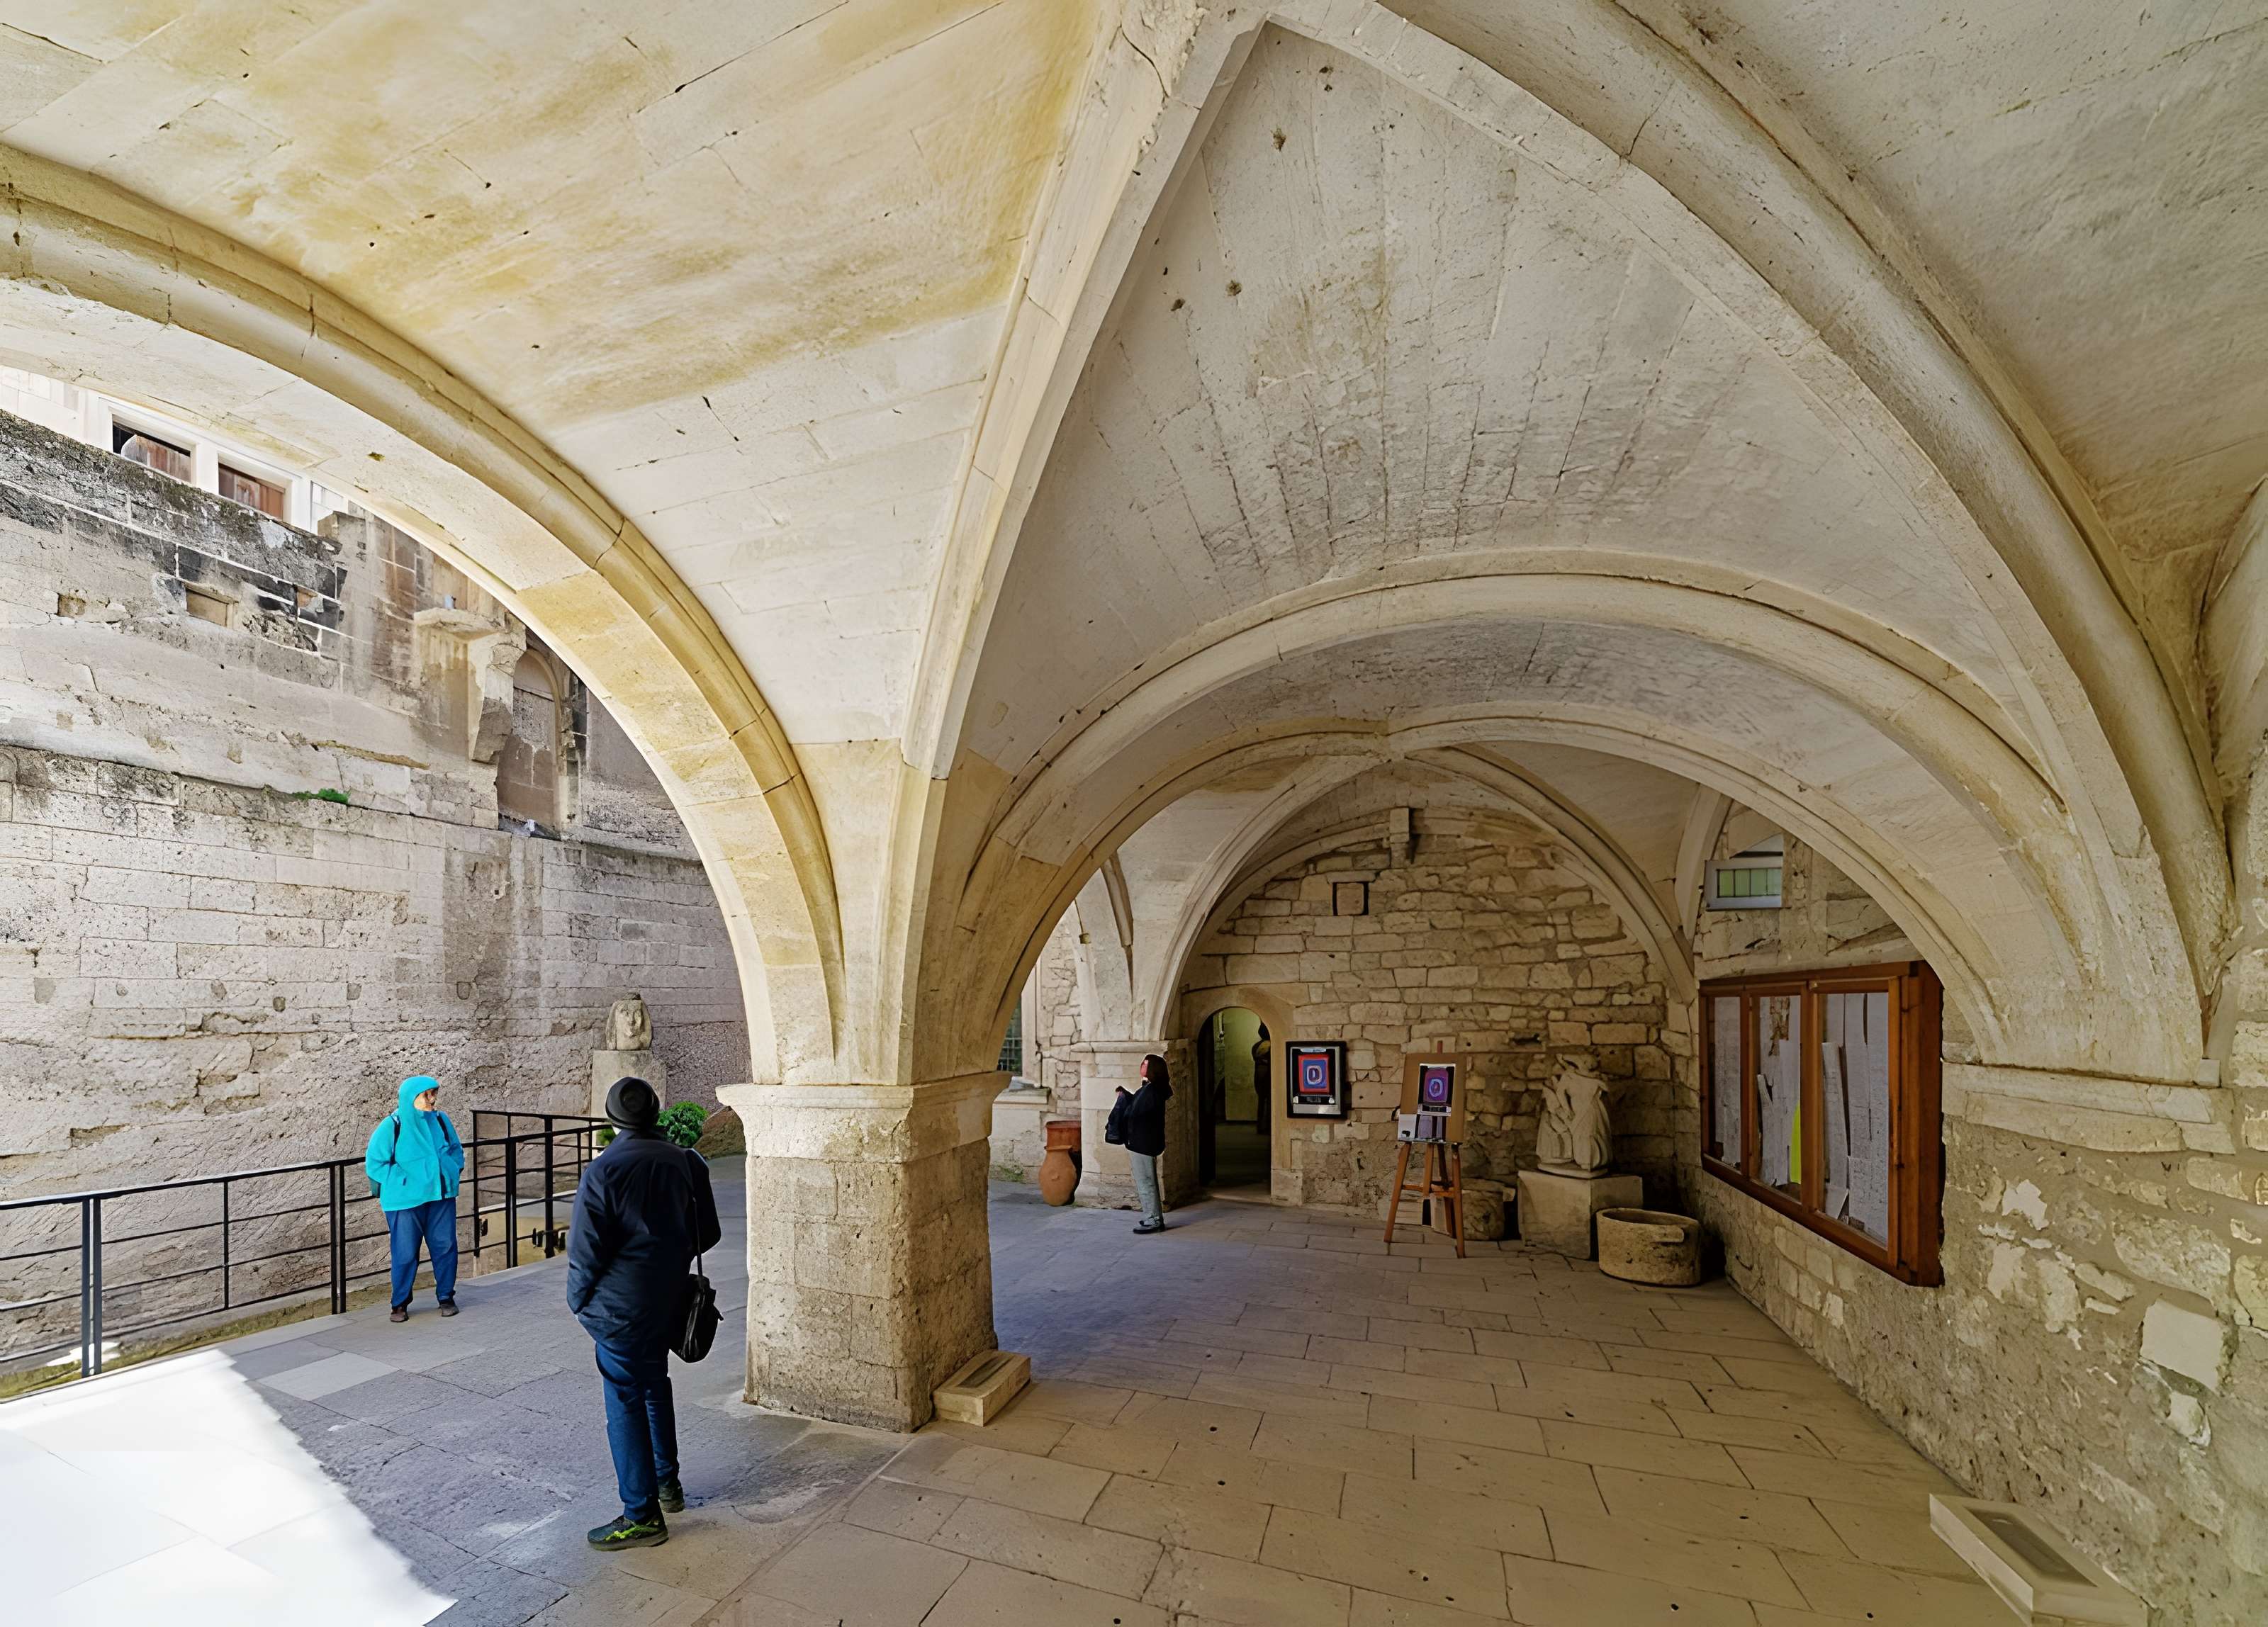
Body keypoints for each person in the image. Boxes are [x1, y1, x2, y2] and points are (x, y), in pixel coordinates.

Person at [568, 1076, 721, 1552]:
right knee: (655, 1385)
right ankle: (668, 1485)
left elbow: (585, 1252)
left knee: (626, 1400)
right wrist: (667, 1258)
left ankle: (640, 1514)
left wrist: (579, 1301)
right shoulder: (687, 1161)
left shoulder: (604, 1170)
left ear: (613, 1120)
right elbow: (709, 1233)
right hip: (668, 1297)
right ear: (656, 1112)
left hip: (619, 1307)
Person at [365, 1074, 464, 1322]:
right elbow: (375, 1163)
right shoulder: (392, 1125)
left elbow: (456, 1149)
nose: (432, 1099)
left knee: (446, 1247)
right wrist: (402, 1180)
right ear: (411, 1098)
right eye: (426, 1095)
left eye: (434, 1093)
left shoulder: (441, 1120)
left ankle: (446, 1297)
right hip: (404, 1202)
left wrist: (451, 1168)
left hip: (440, 1196)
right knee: (405, 1252)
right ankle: (399, 1303)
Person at [1115, 1053, 1173, 1234]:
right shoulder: (1150, 1089)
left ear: (1152, 1069)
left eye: (1145, 1064)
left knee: (1146, 1182)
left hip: (1143, 1142)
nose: (1142, 1065)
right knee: (1146, 1181)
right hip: (1143, 1141)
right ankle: (1153, 1217)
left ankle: (1154, 1220)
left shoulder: (1152, 1091)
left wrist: (1125, 1104)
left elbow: (1140, 1113)